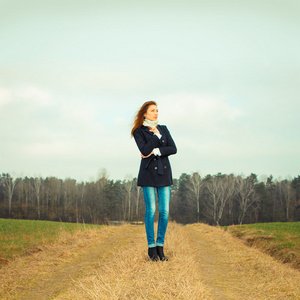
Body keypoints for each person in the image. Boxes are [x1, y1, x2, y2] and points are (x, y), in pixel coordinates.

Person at [131, 101, 177, 261]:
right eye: (152, 111)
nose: (156, 113)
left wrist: (157, 151)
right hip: (148, 174)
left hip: (164, 174)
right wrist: (156, 137)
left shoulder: (163, 128)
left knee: (164, 212)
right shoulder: (139, 132)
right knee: (151, 211)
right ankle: (151, 249)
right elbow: (144, 150)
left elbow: (173, 148)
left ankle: (160, 247)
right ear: (145, 113)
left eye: (157, 110)